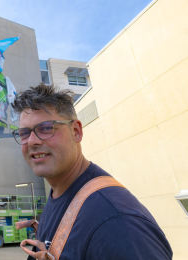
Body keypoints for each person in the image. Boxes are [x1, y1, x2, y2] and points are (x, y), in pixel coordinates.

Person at [11, 83, 172, 259]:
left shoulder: (116, 221)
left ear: (76, 131)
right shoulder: (59, 194)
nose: (32, 141)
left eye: (46, 128)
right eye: (24, 133)